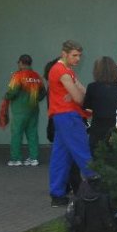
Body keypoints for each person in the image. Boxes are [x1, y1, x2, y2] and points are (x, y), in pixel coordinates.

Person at [47, 40, 95, 207]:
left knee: (60, 157)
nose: (78, 59)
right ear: (64, 54)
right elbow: (80, 97)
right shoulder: (62, 71)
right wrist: (76, 96)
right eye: (74, 55)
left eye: (79, 56)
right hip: (68, 117)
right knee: (83, 152)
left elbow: (81, 92)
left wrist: (77, 95)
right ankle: (97, 188)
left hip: (62, 116)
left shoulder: (66, 71)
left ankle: (57, 195)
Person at [3, 54, 46, 167]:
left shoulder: (18, 76)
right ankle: (33, 158)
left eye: (18, 62)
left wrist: (6, 96)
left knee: (16, 134)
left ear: (21, 63)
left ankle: (16, 159)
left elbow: (12, 92)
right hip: (33, 110)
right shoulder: (37, 76)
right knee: (32, 133)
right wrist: (36, 99)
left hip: (19, 110)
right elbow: (43, 92)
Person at [83, 56, 117, 156]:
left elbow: (86, 107)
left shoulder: (92, 87)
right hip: (116, 130)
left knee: (98, 161)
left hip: (97, 129)